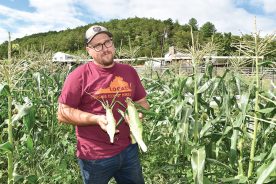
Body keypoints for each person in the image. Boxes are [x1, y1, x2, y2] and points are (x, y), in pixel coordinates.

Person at [57, 25, 150, 184]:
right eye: (97, 46)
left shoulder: (129, 71)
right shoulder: (78, 76)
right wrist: (95, 119)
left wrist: (138, 115)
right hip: (94, 157)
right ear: (89, 50)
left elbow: (143, 103)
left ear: (113, 44)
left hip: (129, 150)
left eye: (107, 42)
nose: (105, 48)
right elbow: (62, 113)